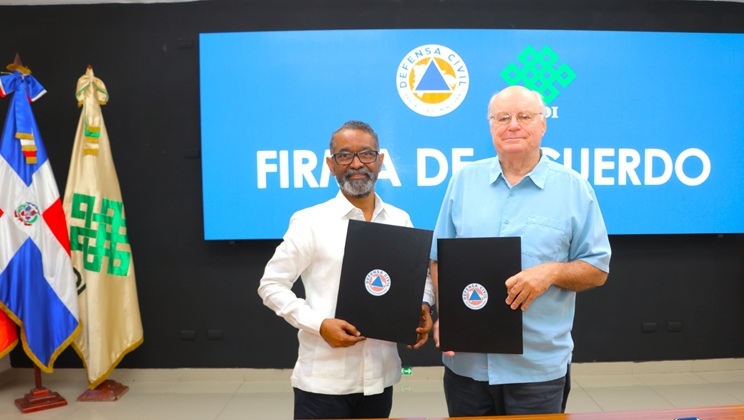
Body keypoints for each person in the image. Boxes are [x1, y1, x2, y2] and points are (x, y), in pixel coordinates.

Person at [429, 86, 611, 416]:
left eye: (524, 116)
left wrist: (551, 272)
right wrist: (448, 317)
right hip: (467, 366)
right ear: (491, 126)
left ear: (543, 124)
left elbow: (597, 269)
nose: (513, 125)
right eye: (502, 118)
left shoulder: (573, 187)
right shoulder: (463, 181)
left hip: (536, 369)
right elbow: (440, 258)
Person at [257, 120, 434, 419]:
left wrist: (423, 304)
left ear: (380, 161)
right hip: (324, 381)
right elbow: (271, 285)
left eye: (366, 154)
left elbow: (420, 276)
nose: (356, 164)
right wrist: (319, 324)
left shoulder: (399, 219)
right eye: (344, 155)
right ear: (331, 165)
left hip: (381, 378)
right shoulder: (310, 222)